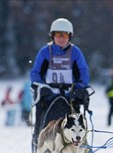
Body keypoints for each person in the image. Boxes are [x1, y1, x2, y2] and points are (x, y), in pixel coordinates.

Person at [30, 18, 90, 146]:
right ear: (53, 36)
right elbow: (35, 73)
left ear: (70, 36)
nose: (61, 38)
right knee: (41, 126)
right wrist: (42, 87)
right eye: (58, 35)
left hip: (70, 97)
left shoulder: (75, 52)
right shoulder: (45, 52)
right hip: (48, 97)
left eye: (65, 35)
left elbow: (83, 74)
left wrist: (79, 87)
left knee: (76, 127)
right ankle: (39, 152)